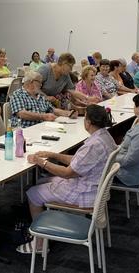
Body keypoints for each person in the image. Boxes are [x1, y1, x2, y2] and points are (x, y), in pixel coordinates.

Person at [16, 105, 117, 255]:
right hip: (93, 187)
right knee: (42, 182)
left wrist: (40, 161)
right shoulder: (105, 137)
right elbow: (79, 160)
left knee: (32, 193)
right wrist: (54, 155)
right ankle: (49, 222)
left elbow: (67, 173)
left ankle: (39, 243)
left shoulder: (93, 145)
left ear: (88, 122)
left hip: (84, 193)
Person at [9, 71, 77, 128]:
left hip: (42, 128)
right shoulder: (18, 94)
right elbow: (22, 114)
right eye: (39, 82)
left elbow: (52, 110)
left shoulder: (40, 96)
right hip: (24, 130)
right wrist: (44, 116)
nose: (41, 85)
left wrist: (68, 113)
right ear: (31, 82)